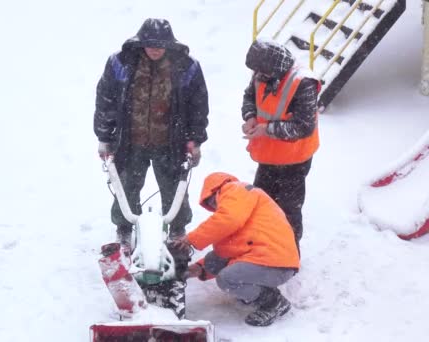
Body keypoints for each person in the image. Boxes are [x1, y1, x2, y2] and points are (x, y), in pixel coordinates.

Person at [93, 18, 209, 273]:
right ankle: (124, 230)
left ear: (170, 44)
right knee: (126, 186)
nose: (155, 49)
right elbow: (106, 100)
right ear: (141, 42)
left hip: (170, 142)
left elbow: (198, 107)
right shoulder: (121, 63)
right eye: (150, 44)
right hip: (130, 140)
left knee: (174, 189)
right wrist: (104, 137)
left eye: (161, 45)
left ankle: (177, 230)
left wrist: (194, 139)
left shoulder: (186, 67)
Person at [171, 172, 300, 327]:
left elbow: (228, 220)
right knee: (215, 259)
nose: (214, 206)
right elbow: (225, 252)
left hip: (276, 263)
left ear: (216, 190)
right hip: (267, 257)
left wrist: (191, 239)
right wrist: (197, 269)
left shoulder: (235, 189)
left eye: (212, 202)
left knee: (228, 279)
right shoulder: (242, 202)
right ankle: (255, 291)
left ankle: (274, 302)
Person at [240, 39, 320, 254]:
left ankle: (289, 253)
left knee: (288, 209)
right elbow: (249, 96)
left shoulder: (303, 82)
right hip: (268, 156)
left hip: (295, 160)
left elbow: (304, 127)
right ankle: (263, 245)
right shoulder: (262, 71)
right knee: (260, 203)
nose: (256, 75)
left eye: (260, 71)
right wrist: (250, 116)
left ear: (272, 68)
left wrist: (266, 130)